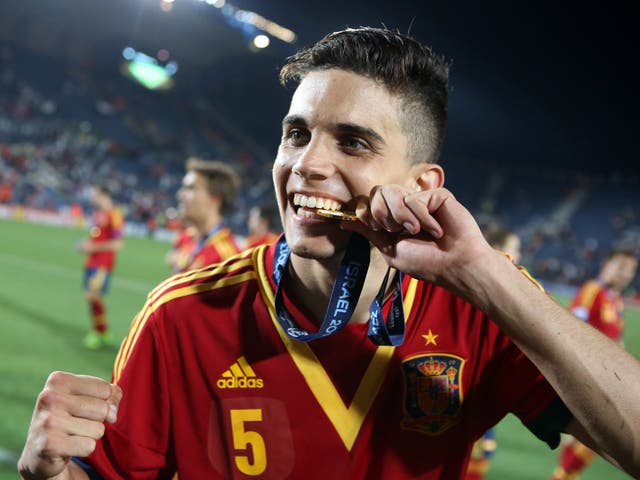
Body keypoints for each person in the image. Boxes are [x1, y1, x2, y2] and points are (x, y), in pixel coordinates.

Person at [18, 27, 640, 480]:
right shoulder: (182, 316)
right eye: (297, 133)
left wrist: (489, 279)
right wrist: (53, 473)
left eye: (353, 142)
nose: (306, 164)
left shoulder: (478, 310)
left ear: (422, 186)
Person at [549, 248, 638, 480]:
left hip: (609, 383)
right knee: (599, 439)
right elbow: (568, 330)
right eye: (621, 267)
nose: (626, 274)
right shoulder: (592, 291)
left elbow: (616, 342)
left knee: (597, 443)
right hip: (588, 380)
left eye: (630, 270)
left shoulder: (615, 300)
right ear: (606, 265)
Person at [465, 224, 522, 480]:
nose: (517, 256)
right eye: (514, 249)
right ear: (498, 250)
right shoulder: (475, 289)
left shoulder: (501, 290)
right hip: (467, 393)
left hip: (486, 392)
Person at [164, 157, 241, 273]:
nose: (180, 194)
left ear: (215, 199)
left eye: (190, 188)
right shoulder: (185, 237)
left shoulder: (228, 259)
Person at [75, 185, 124, 349]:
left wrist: (92, 248)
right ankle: (102, 331)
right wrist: (86, 245)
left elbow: (118, 244)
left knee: (92, 295)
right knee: (91, 297)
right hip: (91, 262)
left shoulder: (115, 215)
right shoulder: (98, 214)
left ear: (104, 195)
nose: (92, 197)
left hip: (103, 265)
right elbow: (98, 238)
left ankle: (100, 332)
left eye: (95, 194)